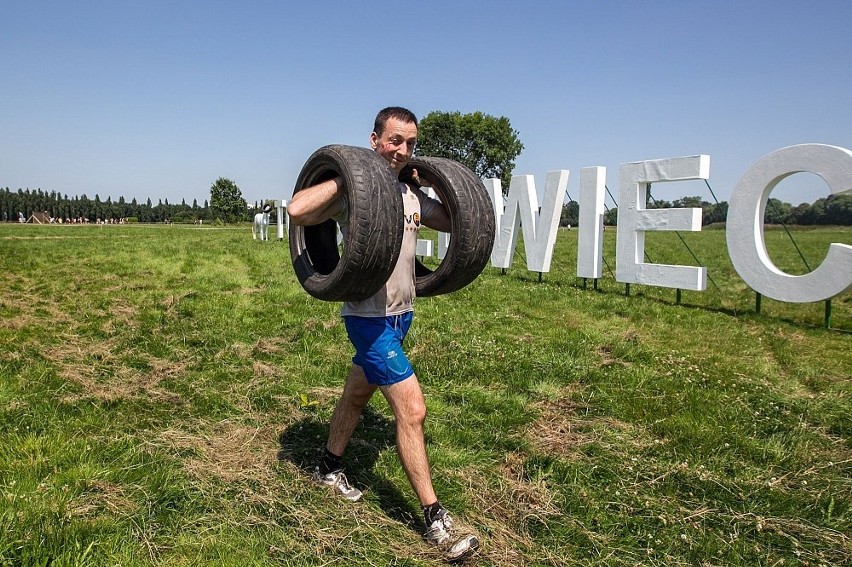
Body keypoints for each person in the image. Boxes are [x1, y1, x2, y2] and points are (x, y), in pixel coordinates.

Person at [287, 107, 479, 561]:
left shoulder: (410, 197)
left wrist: (430, 183)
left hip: (401, 316)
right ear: (374, 139)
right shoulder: (355, 195)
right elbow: (297, 210)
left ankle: (327, 467)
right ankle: (435, 523)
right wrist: (349, 174)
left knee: (356, 396)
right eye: (394, 141)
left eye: (410, 143)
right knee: (413, 412)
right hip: (369, 321)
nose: (402, 151)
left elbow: (457, 221)